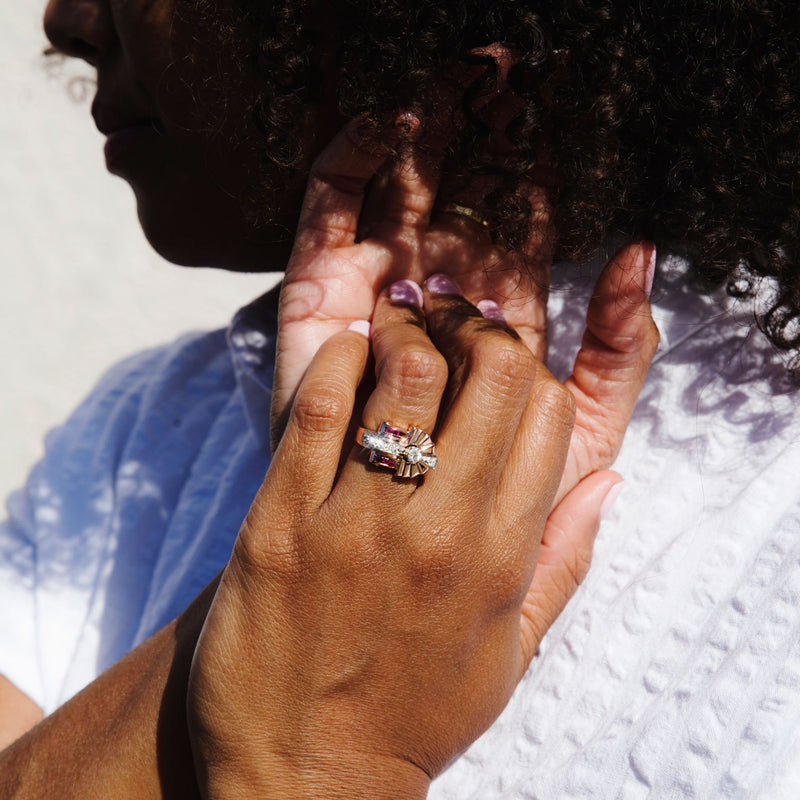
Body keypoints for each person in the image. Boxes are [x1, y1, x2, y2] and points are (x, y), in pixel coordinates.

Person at [2, 1, 799, 797]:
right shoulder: (140, 433)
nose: (65, 20)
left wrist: (304, 760)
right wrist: (331, 545)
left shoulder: (772, 525)